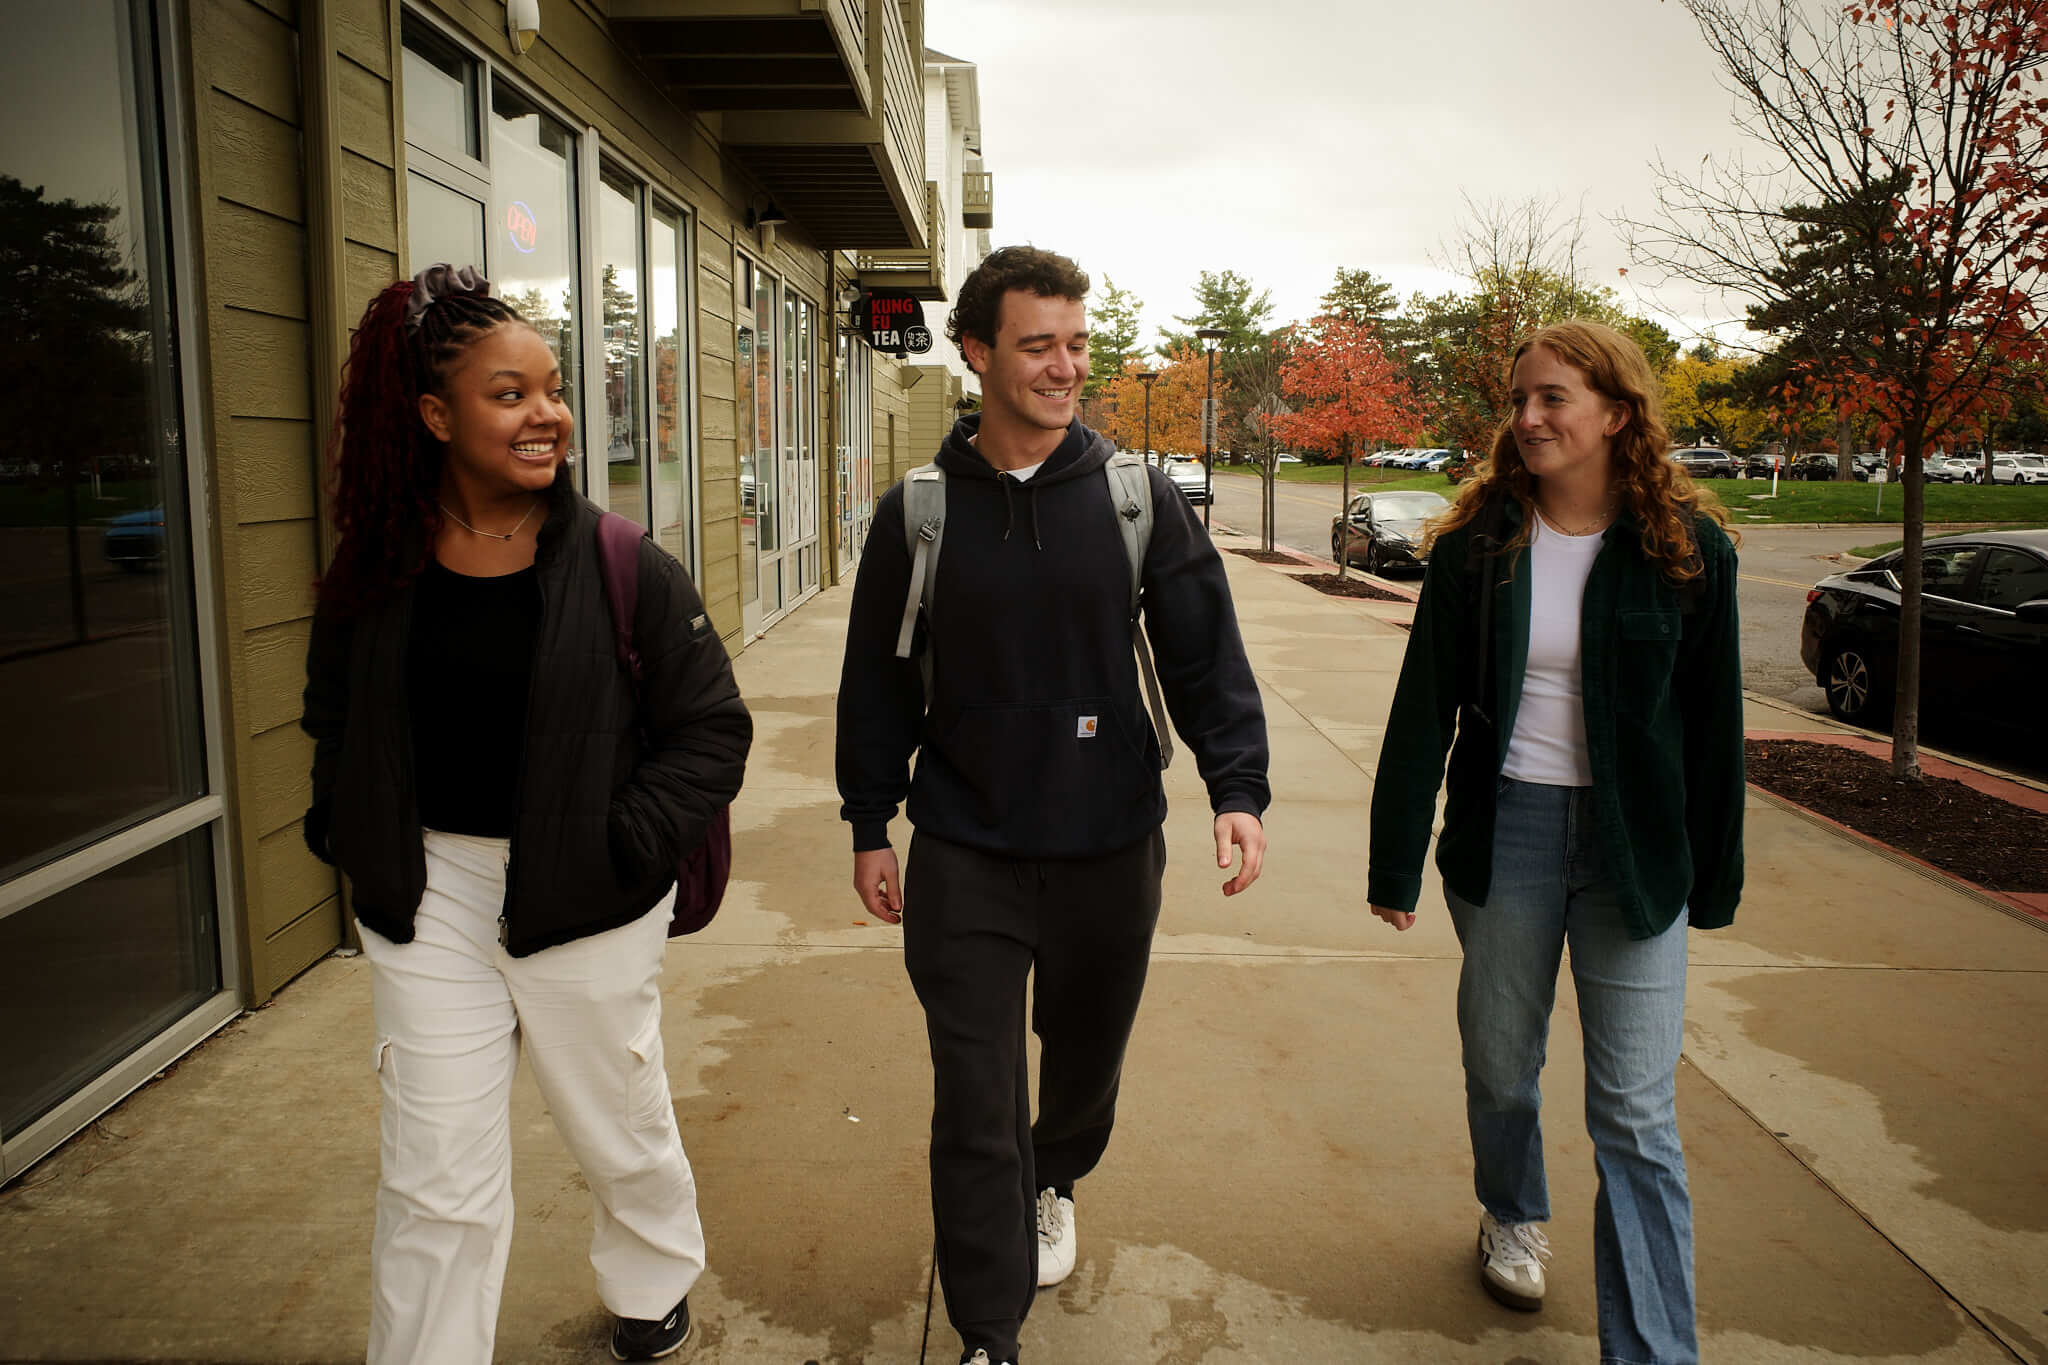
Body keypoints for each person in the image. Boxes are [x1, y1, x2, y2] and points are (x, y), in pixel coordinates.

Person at [300, 265, 751, 1365]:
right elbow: (332, 716)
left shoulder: (621, 562)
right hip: (427, 897)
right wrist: (348, 833)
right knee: (432, 1174)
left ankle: (649, 1281)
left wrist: (618, 847)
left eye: (551, 389)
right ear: (434, 415)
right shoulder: (377, 566)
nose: (547, 413)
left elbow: (710, 733)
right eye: (509, 394)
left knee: (617, 1124)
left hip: (586, 890)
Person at [834, 246, 1271, 1365]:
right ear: (975, 352)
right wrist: (868, 820)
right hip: (966, 846)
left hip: (1106, 842)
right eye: (1038, 345)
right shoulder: (919, 512)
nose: (1064, 366)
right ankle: (989, 1333)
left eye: (1076, 344)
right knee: (973, 1096)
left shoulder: (1133, 498)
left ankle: (1058, 1173)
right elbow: (877, 680)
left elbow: (1200, 653)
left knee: (1080, 1066)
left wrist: (1236, 789)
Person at [1367, 320, 1743, 1365]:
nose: (1525, 419)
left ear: (1613, 415)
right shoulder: (1479, 547)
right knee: (1499, 1068)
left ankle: (1655, 1351)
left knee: (1634, 1111)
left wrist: (1713, 876)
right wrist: (1394, 859)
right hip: (1510, 835)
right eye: (1519, 401)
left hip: (1634, 852)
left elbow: (1712, 731)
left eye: (1551, 401)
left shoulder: (1685, 551)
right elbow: (1420, 713)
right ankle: (1510, 1209)